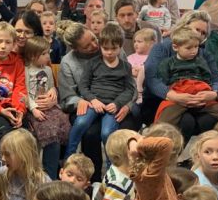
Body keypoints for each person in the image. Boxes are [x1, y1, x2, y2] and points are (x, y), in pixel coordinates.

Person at [67, 24, 135, 154]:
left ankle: (111, 164)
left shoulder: (126, 66)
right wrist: (93, 100)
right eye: (105, 48)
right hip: (94, 104)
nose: (109, 52)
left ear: (121, 47)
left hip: (112, 106)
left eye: (114, 48)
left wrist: (117, 104)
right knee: (80, 123)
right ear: (100, 46)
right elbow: (83, 86)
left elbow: (129, 90)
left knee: (107, 133)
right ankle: (68, 156)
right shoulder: (93, 63)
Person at [154, 26, 218, 127]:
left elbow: (207, 78)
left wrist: (208, 94)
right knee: (162, 123)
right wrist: (174, 95)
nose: (193, 51)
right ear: (175, 47)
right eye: (188, 48)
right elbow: (163, 81)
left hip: (201, 96)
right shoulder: (167, 63)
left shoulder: (201, 61)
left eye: (196, 47)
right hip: (178, 97)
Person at [58, 22, 104, 177]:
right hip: (84, 106)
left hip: (112, 100)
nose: (94, 45)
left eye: (93, 38)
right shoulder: (68, 62)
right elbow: (67, 96)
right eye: (86, 46)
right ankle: (93, 178)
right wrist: (80, 101)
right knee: (90, 133)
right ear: (75, 49)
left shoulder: (108, 47)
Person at [22, 35, 69, 178]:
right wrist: (33, 109)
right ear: (32, 55)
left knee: (64, 123)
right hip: (35, 109)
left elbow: (51, 86)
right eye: (44, 54)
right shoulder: (26, 70)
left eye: (48, 52)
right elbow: (25, 93)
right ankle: (41, 172)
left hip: (49, 107)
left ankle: (53, 171)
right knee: (47, 129)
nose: (48, 56)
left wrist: (53, 91)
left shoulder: (48, 70)